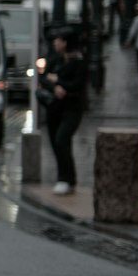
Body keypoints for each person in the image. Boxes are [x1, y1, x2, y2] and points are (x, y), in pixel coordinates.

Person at [41, 31, 87, 196]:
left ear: (65, 43)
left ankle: (64, 179)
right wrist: (54, 87)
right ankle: (68, 178)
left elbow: (77, 84)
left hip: (72, 108)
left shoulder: (79, 61)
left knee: (62, 139)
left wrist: (59, 82)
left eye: (58, 40)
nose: (55, 43)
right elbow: (43, 78)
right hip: (55, 108)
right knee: (56, 142)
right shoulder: (55, 59)